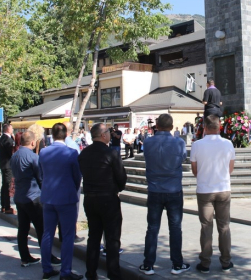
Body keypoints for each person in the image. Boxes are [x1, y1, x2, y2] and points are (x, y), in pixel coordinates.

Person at [139, 114, 190, 276]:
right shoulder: (179, 142)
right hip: (173, 189)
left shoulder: (148, 142)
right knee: (175, 227)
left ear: (157, 125)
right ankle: (177, 263)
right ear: (171, 126)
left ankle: (148, 264)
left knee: (152, 228)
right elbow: (183, 158)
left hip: (154, 190)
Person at [78, 123, 127, 280]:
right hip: (108, 199)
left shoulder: (84, 154)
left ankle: (91, 273)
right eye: (108, 131)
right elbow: (121, 178)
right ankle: (114, 274)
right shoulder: (111, 153)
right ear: (102, 135)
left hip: (90, 199)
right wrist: (116, 189)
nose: (110, 134)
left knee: (93, 237)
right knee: (112, 240)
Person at [190, 115, 235, 274]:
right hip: (223, 188)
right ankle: (226, 261)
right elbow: (230, 168)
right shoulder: (228, 143)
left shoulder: (197, 145)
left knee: (206, 226)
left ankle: (205, 263)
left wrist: (204, 177)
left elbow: (194, 170)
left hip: (205, 190)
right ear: (219, 127)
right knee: (224, 226)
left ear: (205, 128)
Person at [10, 131, 61, 268]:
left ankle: (25, 258)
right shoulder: (33, 157)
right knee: (42, 229)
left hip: (20, 197)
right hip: (33, 197)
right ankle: (48, 257)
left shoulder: (14, 156)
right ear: (33, 142)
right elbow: (40, 178)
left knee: (23, 228)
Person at [39, 123, 83, 280]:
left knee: (47, 234)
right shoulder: (71, 153)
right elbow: (77, 176)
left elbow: (41, 173)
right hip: (66, 197)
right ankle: (65, 271)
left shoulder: (43, 152)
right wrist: (73, 189)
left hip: (48, 197)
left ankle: (46, 268)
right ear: (65, 135)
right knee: (68, 235)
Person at [0, 123, 15, 214]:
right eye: (11, 128)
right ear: (8, 129)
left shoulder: (2, 138)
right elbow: (11, 153)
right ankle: (7, 206)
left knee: (4, 185)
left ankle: (3, 205)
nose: (12, 130)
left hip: (3, 165)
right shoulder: (8, 140)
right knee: (8, 185)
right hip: (8, 165)